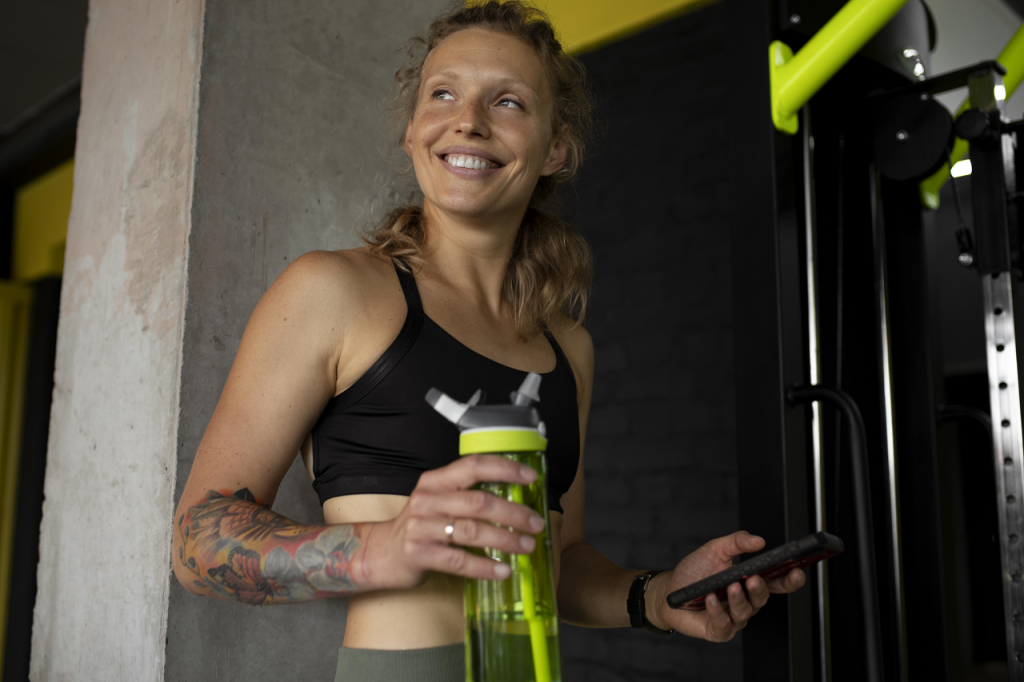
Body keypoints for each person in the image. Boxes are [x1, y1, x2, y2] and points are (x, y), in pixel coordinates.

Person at [172, 2, 806, 680]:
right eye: (442, 93)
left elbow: (556, 564)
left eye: (507, 101)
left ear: (554, 146)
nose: (467, 119)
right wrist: (383, 549)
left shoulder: (569, 351)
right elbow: (197, 543)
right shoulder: (333, 292)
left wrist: (661, 594)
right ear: (413, 130)